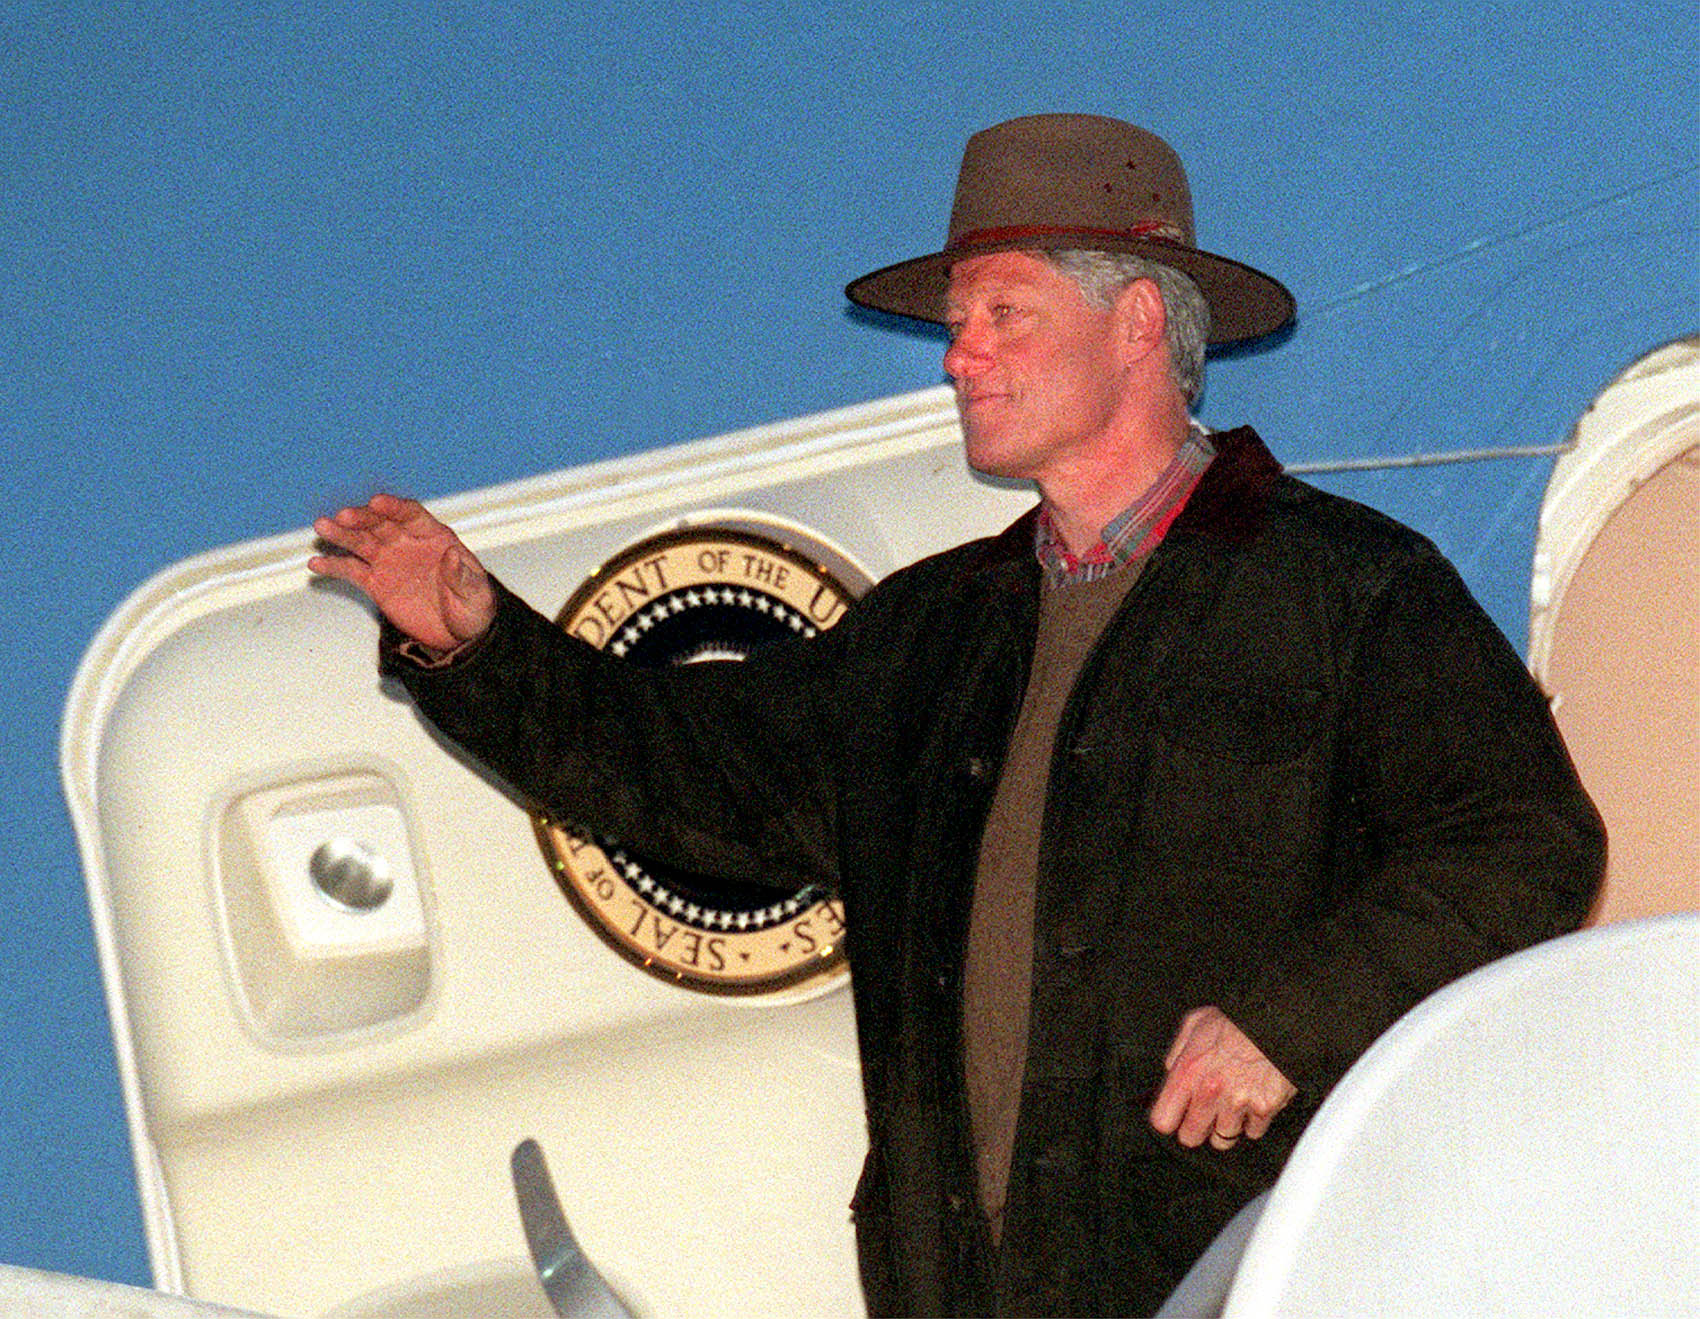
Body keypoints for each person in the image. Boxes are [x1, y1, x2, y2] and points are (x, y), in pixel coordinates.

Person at [310, 114, 1604, 1316]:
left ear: (1140, 323)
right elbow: (689, 778)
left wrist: (1290, 1021)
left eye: (1001, 313)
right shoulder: (929, 636)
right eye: (958, 320)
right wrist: (476, 637)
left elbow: (1526, 837)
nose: (957, 354)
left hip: (1252, 1281)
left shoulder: (1345, 589)